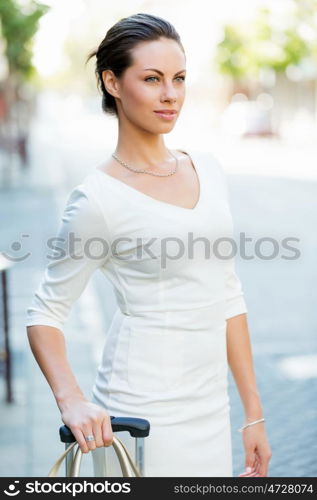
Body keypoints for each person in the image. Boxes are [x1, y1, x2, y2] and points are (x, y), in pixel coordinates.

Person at [25, 12, 272, 477]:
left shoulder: (208, 168)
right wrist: (72, 401)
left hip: (210, 408)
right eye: (152, 79)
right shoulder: (96, 199)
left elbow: (228, 294)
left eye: (179, 78)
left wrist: (252, 414)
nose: (171, 94)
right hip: (142, 412)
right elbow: (45, 312)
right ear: (113, 83)